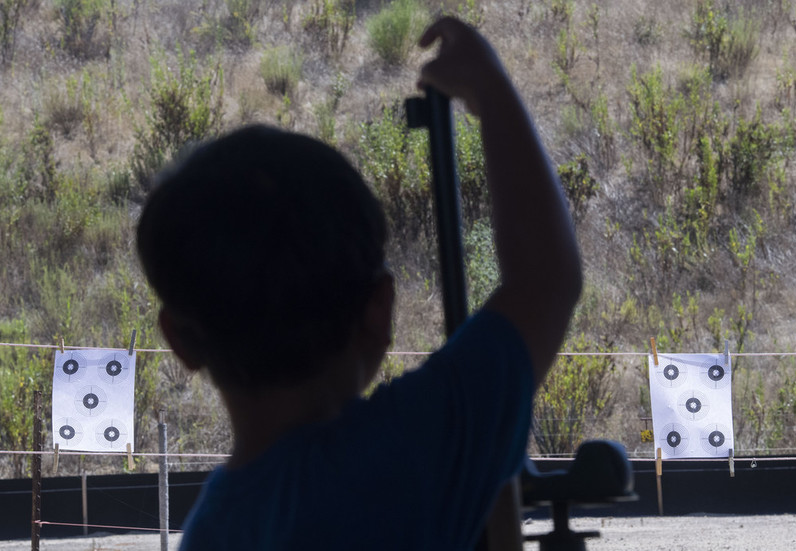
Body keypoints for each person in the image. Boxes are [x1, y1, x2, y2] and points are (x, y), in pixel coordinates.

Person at [136, 16, 582, 550]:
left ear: (180, 342)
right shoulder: (411, 452)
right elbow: (545, 279)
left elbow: (545, 281)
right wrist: (489, 88)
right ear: (380, 310)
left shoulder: (211, 535)